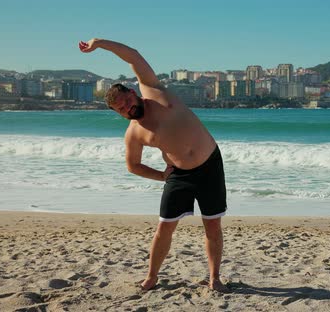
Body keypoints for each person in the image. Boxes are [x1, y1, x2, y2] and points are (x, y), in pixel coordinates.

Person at [79, 38, 228, 292]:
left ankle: (214, 278)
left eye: (127, 102)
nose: (128, 109)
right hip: (178, 175)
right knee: (164, 228)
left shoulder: (154, 90)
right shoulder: (134, 133)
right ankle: (151, 276)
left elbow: (133, 56)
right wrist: (161, 176)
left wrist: (99, 44)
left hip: (210, 164)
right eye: (121, 110)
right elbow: (133, 166)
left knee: (212, 225)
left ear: (134, 93)